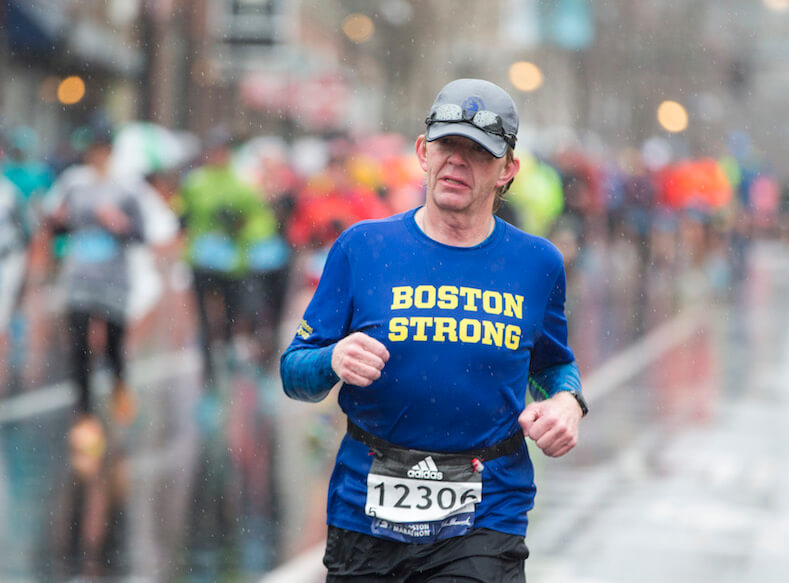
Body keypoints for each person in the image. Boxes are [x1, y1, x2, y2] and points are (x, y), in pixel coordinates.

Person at [280, 78, 588, 581]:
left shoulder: (537, 263)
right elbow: (295, 372)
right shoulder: (363, 247)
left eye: (479, 152)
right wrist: (331, 359)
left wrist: (567, 402)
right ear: (424, 152)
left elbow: (553, 365)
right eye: (447, 145)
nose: (457, 163)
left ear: (507, 169)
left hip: (486, 514)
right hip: (365, 513)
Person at [44, 126, 144, 448]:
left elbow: (140, 233)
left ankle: (119, 385)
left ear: (111, 152)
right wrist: (58, 221)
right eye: (93, 149)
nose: (97, 155)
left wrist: (120, 224)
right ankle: (84, 415)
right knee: (79, 346)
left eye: (103, 149)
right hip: (79, 276)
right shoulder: (73, 183)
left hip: (114, 279)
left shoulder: (127, 187)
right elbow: (55, 226)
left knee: (113, 344)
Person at [175, 126, 277, 382]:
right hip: (201, 258)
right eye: (213, 151)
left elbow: (261, 222)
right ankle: (208, 364)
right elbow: (182, 214)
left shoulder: (243, 184)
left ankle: (229, 355)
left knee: (232, 312)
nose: (217, 156)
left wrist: (239, 225)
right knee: (204, 314)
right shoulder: (195, 183)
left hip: (232, 262)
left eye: (221, 151)